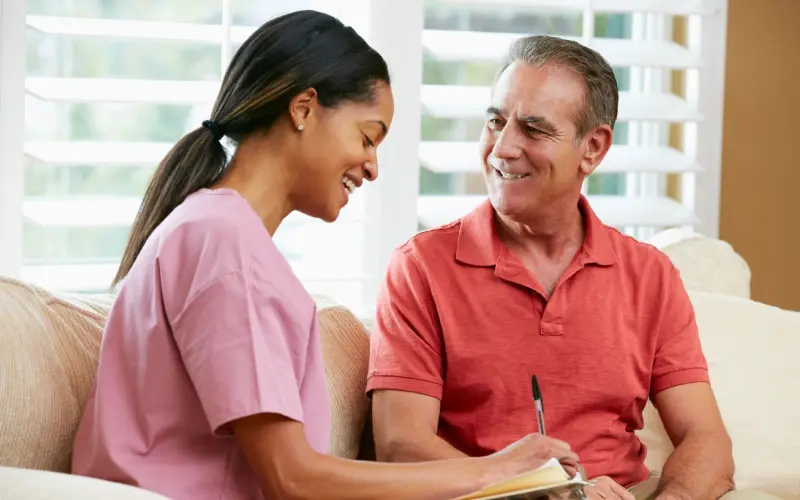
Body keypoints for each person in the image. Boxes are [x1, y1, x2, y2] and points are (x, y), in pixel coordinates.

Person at [69, 10, 582, 500]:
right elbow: (292, 480)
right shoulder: (222, 242)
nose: (372, 166)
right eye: (367, 137)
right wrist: (497, 469)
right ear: (304, 108)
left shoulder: (216, 232)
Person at [367, 35, 776, 500]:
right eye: (495, 122)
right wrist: (538, 489)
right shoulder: (420, 267)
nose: (502, 148)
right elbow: (402, 447)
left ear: (593, 148)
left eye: (533, 129)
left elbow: (707, 440)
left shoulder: (650, 275)